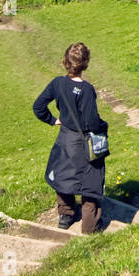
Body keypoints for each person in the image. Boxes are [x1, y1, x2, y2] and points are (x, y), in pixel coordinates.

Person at [33, 42, 108, 233]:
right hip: (84, 143)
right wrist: (102, 127)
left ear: (65, 61)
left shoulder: (57, 83)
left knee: (63, 177)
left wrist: (53, 120)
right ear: (86, 64)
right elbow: (92, 122)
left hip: (65, 139)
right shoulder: (87, 90)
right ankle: (90, 227)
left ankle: (65, 217)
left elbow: (38, 106)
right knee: (90, 184)